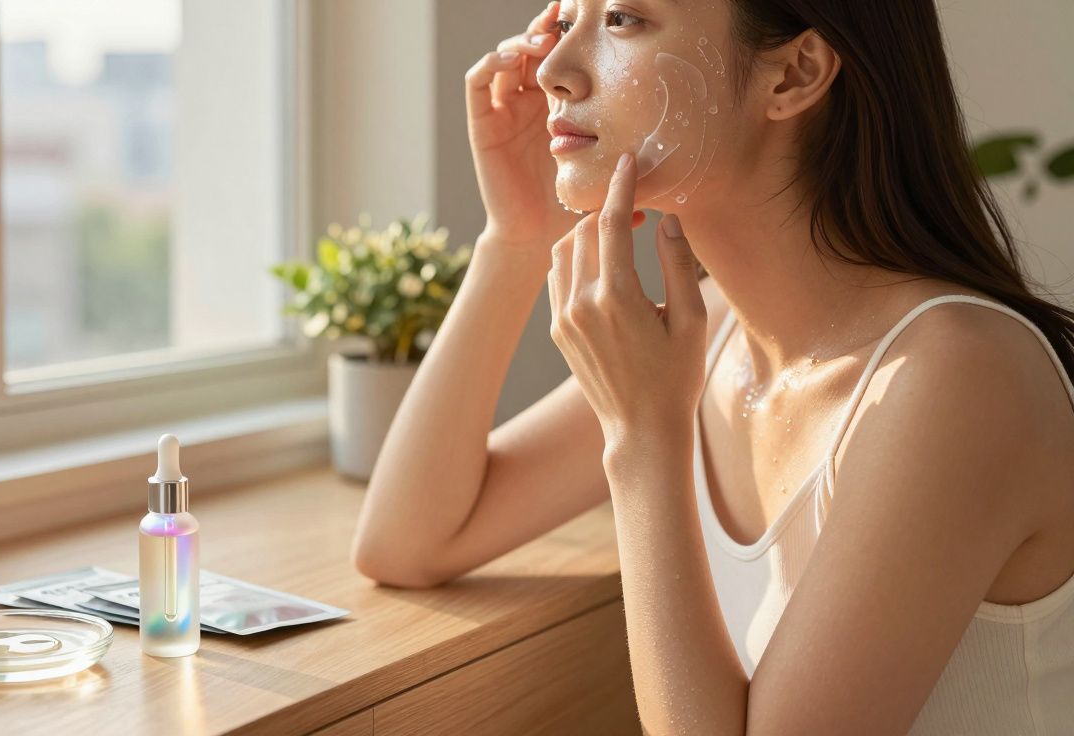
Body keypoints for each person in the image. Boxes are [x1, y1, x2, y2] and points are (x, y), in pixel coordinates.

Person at [351, 1, 1074, 733]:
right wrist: (516, 238)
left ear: (794, 73)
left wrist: (641, 438)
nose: (553, 70)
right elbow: (408, 540)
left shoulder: (955, 380)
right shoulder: (721, 333)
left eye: (625, 19)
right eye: (569, 19)